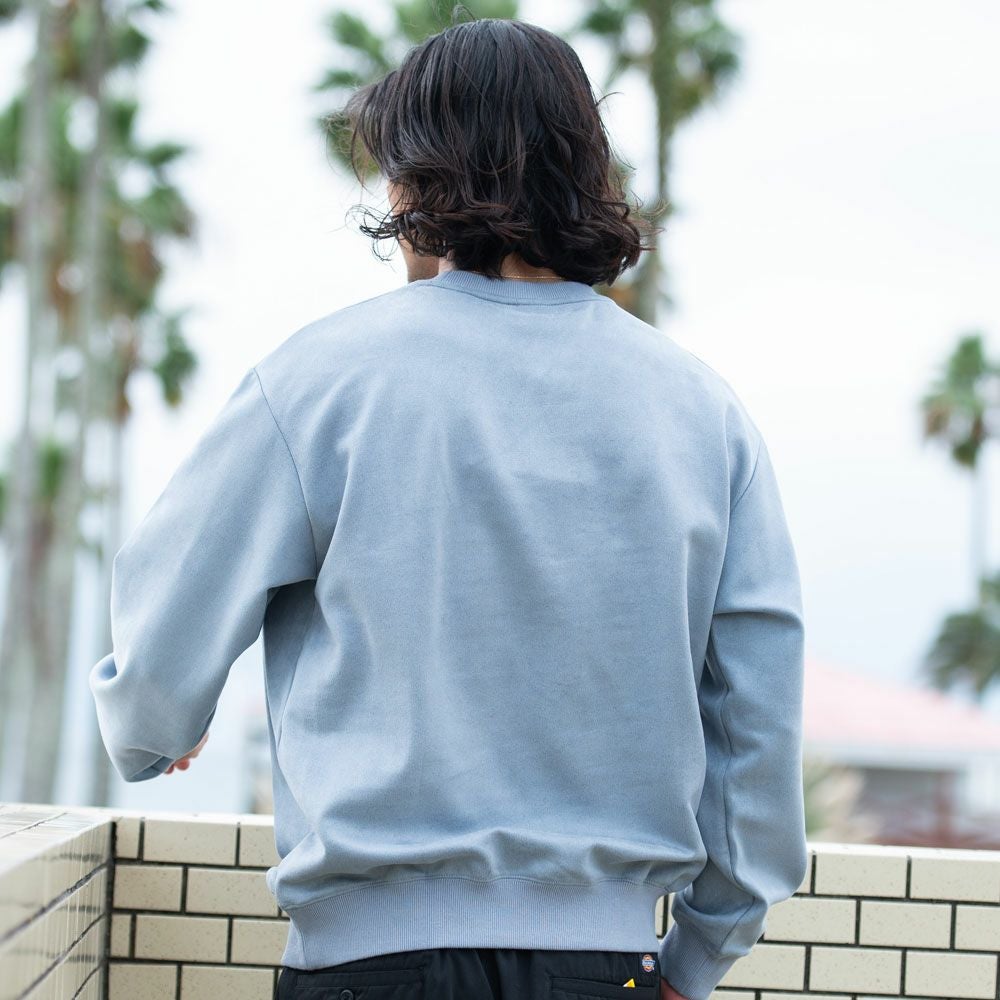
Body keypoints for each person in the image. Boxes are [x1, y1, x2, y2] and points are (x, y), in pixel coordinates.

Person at [89, 16, 808, 1000]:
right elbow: (756, 724)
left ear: (414, 183)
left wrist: (156, 724)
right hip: (610, 970)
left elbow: (155, 668)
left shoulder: (318, 382)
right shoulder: (702, 413)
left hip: (367, 970)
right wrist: (700, 953)